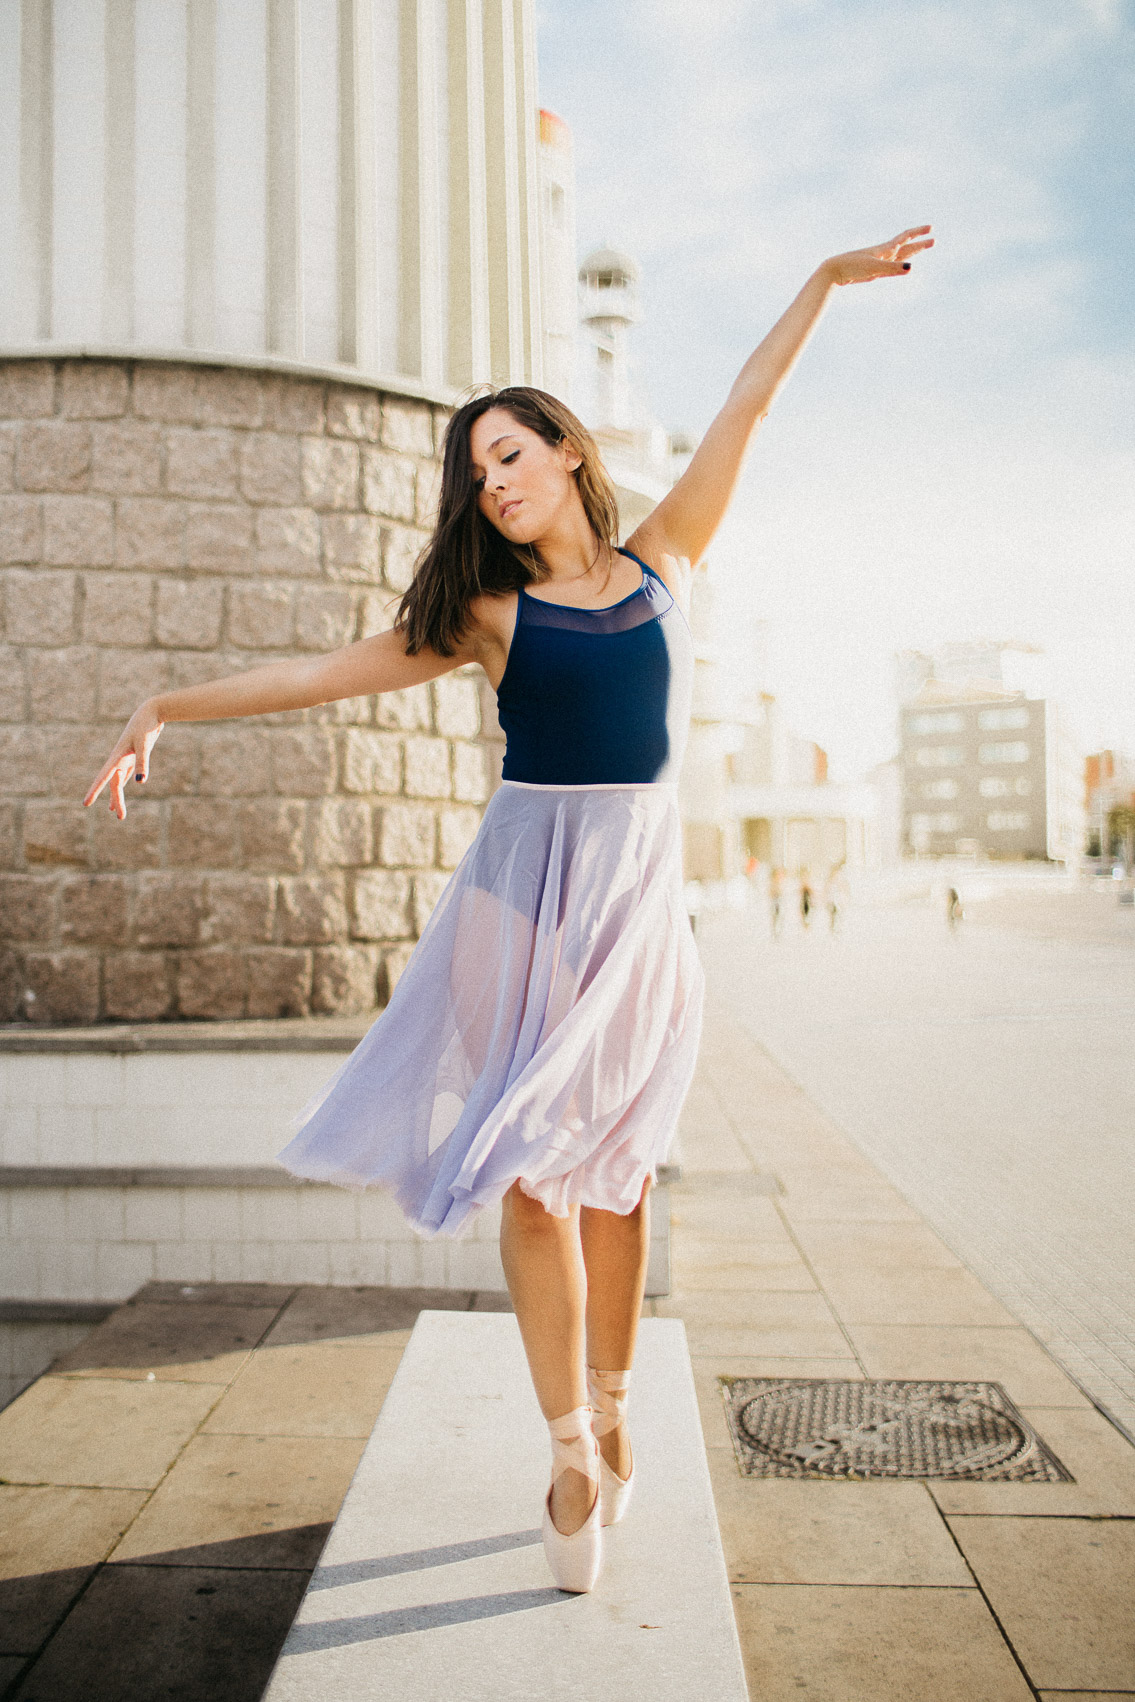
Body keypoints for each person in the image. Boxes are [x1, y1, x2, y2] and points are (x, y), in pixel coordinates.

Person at [84, 224, 933, 1594]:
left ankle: (611, 1400)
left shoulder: (666, 563)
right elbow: (323, 672)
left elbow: (745, 404)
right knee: (534, 1173)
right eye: (478, 474)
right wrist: (162, 707)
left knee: (622, 1174)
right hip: (518, 897)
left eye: (511, 455)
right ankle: (566, 1448)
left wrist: (823, 285)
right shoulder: (485, 612)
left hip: (637, 905)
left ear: (570, 451)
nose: (494, 483)